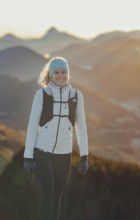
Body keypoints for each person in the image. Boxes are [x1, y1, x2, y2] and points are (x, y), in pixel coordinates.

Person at [23, 56, 89, 220]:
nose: (60, 76)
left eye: (64, 72)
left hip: (64, 154)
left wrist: (84, 156)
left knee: (56, 197)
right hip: (42, 151)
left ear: (68, 74)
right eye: (56, 72)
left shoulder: (76, 96)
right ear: (50, 75)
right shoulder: (42, 94)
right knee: (47, 193)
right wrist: (28, 158)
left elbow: (81, 126)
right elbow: (32, 126)